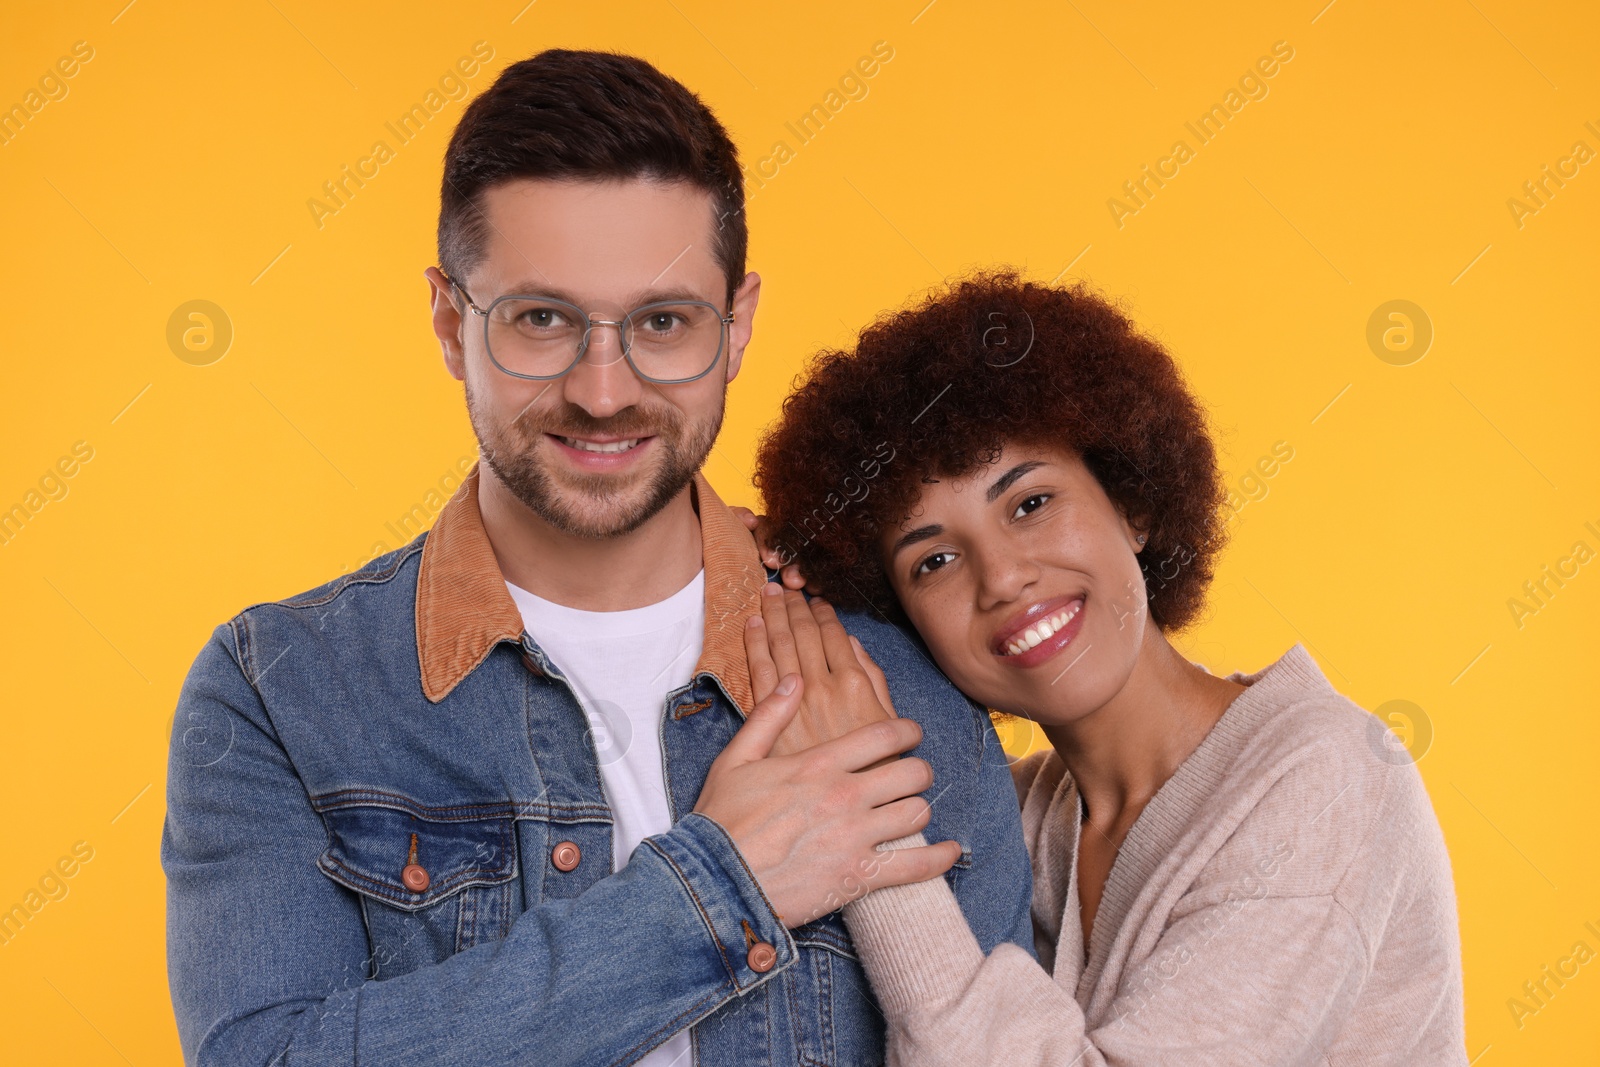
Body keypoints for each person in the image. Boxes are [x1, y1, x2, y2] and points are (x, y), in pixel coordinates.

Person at [160, 51, 1033, 1067]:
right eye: (542, 319)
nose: (605, 390)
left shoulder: (899, 686)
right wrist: (713, 887)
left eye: (662, 322)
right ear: (450, 321)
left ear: (737, 323)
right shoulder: (283, 690)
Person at [739, 269, 1468, 1065]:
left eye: (1030, 503)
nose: (1003, 577)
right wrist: (744, 574)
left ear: (1133, 504)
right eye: (935, 559)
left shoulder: (1327, 777)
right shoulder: (1013, 811)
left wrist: (870, 842)